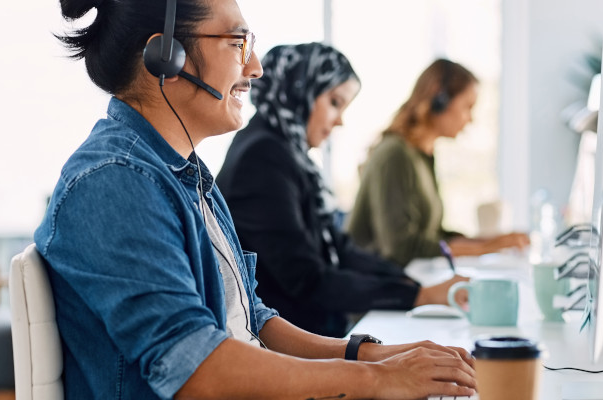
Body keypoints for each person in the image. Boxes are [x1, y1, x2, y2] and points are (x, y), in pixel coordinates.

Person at [34, 1, 475, 398]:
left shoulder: (183, 174)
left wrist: (371, 356)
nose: (256, 68)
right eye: (238, 42)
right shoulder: (115, 182)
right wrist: (378, 381)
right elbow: (197, 370)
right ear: (165, 57)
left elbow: (250, 318)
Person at [216, 42, 467, 338]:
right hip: (287, 348)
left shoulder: (286, 152)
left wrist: (410, 284)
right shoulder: (263, 158)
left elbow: (339, 248)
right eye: (334, 102)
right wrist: (417, 296)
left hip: (309, 331)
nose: (340, 121)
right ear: (301, 91)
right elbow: (308, 280)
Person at [347, 59, 531, 267]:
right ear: (439, 98)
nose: (470, 119)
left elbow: (433, 235)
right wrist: (485, 248)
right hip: (374, 285)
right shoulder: (395, 154)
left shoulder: (422, 155)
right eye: (467, 107)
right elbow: (400, 247)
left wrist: (495, 241)